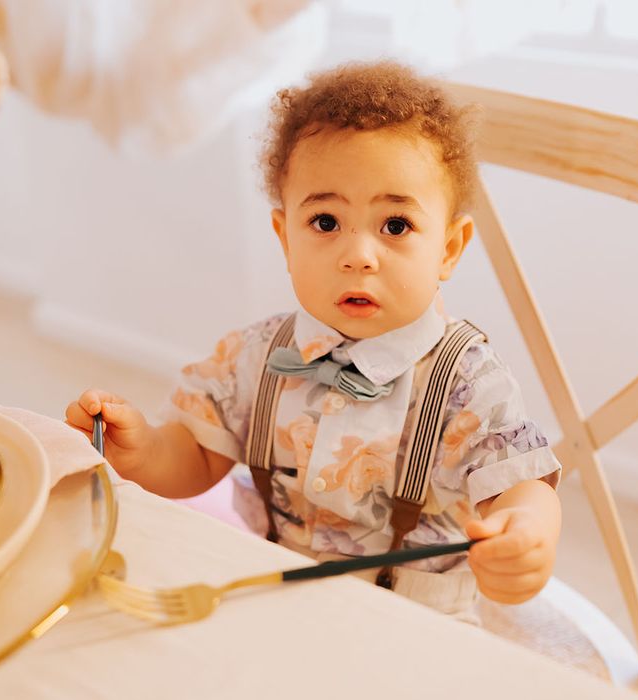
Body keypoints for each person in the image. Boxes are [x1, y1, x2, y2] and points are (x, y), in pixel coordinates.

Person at [66, 61, 562, 622]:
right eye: (326, 222)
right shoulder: (255, 355)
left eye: (395, 226)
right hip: (272, 590)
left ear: (448, 248)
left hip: (412, 623)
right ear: (285, 236)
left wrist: (525, 530)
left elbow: (517, 486)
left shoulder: (467, 382)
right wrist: (148, 451)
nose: (358, 254)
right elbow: (199, 457)